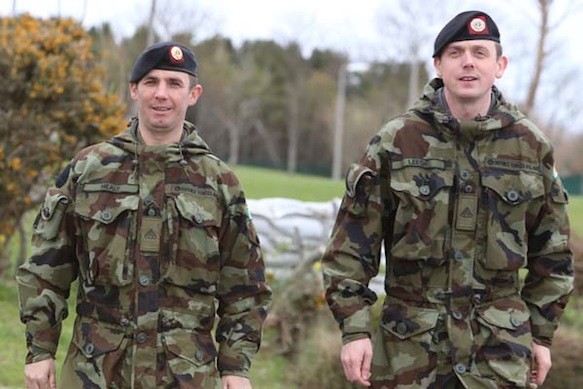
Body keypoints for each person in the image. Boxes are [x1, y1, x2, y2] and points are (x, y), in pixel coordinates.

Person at [322, 10, 574, 388]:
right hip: (410, 354)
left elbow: (553, 255)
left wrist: (540, 335)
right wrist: (354, 330)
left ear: (500, 65)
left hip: (499, 355)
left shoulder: (530, 147)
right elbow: (351, 248)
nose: (468, 62)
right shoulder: (397, 140)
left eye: (479, 52)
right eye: (455, 53)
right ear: (438, 65)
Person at [17, 41, 272, 389]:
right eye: (151, 82)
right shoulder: (89, 170)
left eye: (174, 83)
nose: (161, 94)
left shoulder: (218, 182)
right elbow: (47, 267)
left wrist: (235, 367)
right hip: (95, 371)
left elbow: (245, 287)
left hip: (186, 375)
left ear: (193, 94)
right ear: (134, 90)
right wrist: (40, 350)